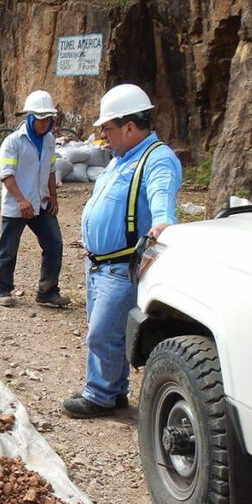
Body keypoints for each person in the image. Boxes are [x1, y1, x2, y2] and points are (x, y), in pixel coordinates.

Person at [63, 84, 182, 418]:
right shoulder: (119, 160)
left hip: (121, 267)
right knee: (105, 333)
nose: (103, 134)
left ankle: (99, 396)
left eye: (108, 128)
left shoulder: (157, 159)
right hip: (98, 264)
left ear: (130, 126)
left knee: (102, 333)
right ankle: (112, 391)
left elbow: (162, 194)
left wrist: (163, 221)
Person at [0, 90, 71, 309]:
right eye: (41, 119)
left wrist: (53, 197)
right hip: (17, 205)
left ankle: (47, 292)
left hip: (41, 203)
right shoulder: (13, 142)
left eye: (49, 119)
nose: (46, 123)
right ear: (30, 117)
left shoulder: (49, 140)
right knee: (8, 248)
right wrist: (20, 200)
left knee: (54, 244)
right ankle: (3, 289)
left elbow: (51, 169)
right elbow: (6, 174)